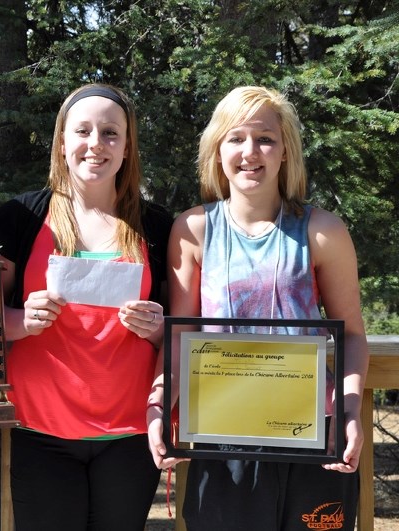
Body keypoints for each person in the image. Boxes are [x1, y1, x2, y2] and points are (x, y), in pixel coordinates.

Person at [146, 86, 369, 531]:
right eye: (236, 138)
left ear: (286, 150)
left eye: (265, 138)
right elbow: (179, 337)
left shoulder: (322, 230)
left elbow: (352, 336)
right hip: (223, 433)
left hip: (313, 435)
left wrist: (348, 414)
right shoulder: (192, 230)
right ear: (217, 149)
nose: (251, 151)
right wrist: (157, 408)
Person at [0, 83, 173, 530]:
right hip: (40, 430)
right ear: (62, 142)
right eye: (82, 131)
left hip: (128, 433)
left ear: (127, 147)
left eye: (110, 133)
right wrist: (20, 321)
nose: (95, 144)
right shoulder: (19, 218)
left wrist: (157, 327)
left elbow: (179, 328)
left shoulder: (158, 225)